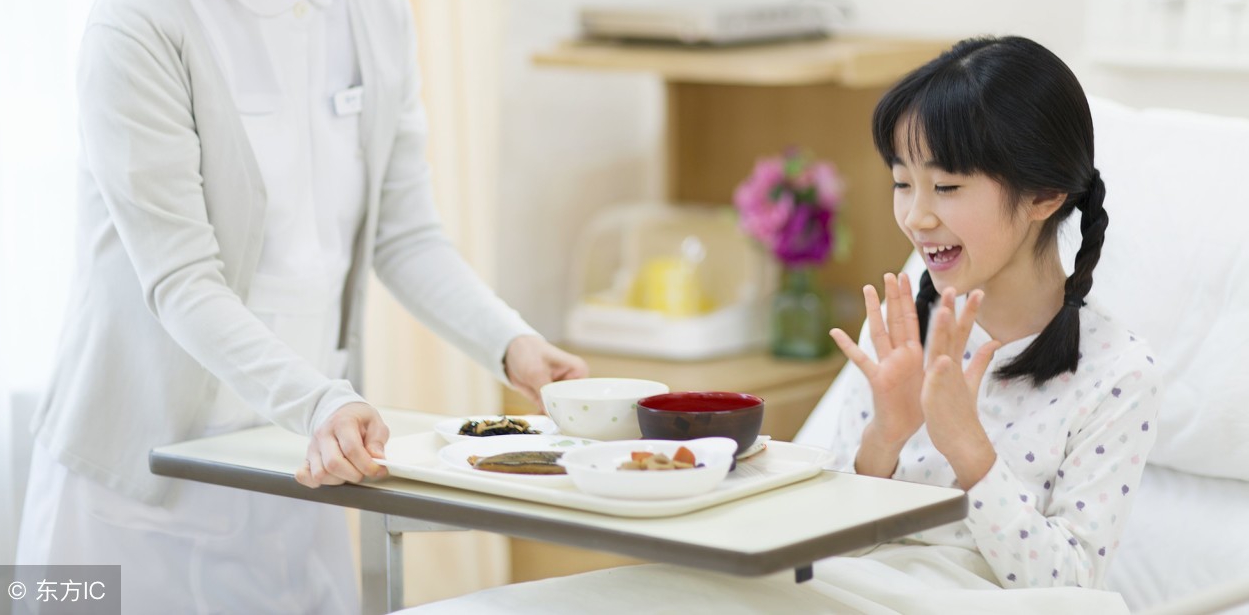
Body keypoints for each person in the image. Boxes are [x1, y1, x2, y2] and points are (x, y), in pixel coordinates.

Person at [15, 0, 586, 612]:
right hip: (141, 477)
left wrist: (512, 346)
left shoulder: (376, 10)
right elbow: (181, 279)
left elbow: (404, 235)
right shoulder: (142, 17)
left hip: (302, 452)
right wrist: (319, 399)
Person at [408, 36, 1161, 615]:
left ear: (1044, 196)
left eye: (948, 186)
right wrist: (885, 437)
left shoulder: (1114, 372)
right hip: (830, 589)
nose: (916, 216)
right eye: (903, 182)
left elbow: (1070, 590)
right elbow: (822, 531)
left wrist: (970, 451)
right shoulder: (903, 329)